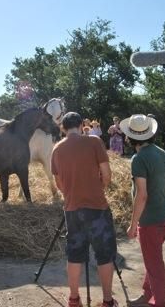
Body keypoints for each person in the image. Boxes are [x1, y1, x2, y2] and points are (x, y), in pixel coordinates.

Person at [51, 112, 118, 307]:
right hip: (97, 207)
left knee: (74, 254)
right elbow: (106, 175)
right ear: (81, 125)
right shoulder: (94, 142)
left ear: (63, 128)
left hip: (71, 208)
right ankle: (107, 301)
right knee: (104, 255)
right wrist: (97, 188)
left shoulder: (57, 149)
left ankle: (74, 299)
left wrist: (72, 192)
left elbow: (58, 184)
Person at [120, 114, 165, 307]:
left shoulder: (139, 159)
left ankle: (160, 302)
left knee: (155, 265)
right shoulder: (161, 152)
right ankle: (147, 295)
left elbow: (141, 195)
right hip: (164, 214)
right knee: (153, 260)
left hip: (150, 220)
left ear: (132, 137)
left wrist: (133, 224)